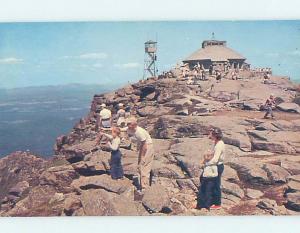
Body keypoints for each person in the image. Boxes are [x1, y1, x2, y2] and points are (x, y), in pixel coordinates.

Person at [197, 128, 225, 210]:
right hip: (215, 165)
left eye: (211, 134)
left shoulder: (219, 145)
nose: (210, 135)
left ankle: (217, 203)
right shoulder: (217, 143)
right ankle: (211, 201)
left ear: (215, 136)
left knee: (216, 185)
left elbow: (216, 159)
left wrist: (206, 164)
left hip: (217, 166)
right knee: (212, 184)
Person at [126, 117, 154, 192]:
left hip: (147, 147)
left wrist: (142, 156)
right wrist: (106, 129)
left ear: (134, 124)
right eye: (127, 123)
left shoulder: (139, 132)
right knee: (140, 166)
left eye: (129, 124)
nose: (128, 125)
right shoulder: (130, 128)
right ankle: (142, 184)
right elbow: (122, 129)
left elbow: (145, 146)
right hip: (142, 146)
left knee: (144, 166)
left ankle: (145, 188)